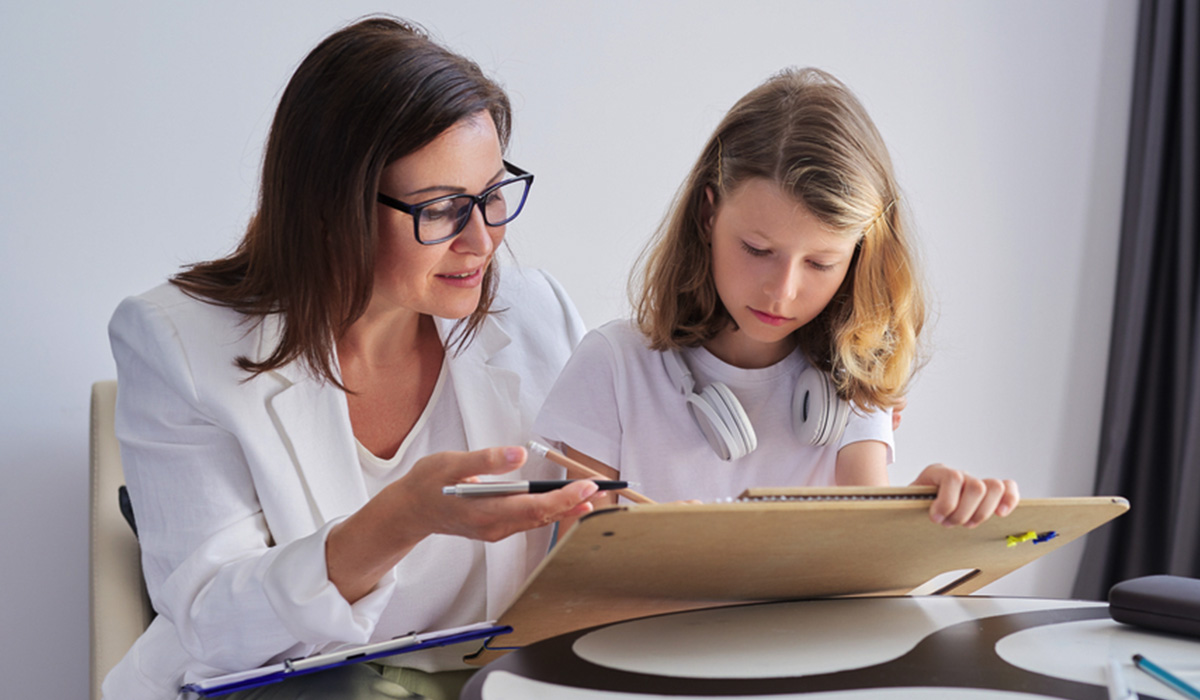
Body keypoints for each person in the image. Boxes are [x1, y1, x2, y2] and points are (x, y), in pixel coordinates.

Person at [105, 16, 600, 700]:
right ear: (330, 208)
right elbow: (211, 624)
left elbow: (591, 521)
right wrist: (402, 517)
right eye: (442, 208)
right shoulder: (178, 342)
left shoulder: (532, 308)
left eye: (491, 197)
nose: (482, 242)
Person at [534, 68, 1019, 524]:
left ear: (858, 257)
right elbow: (580, 581)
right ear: (708, 216)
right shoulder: (614, 367)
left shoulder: (852, 384)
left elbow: (865, 575)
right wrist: (659, 553)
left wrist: (923, 521)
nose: (782, 291)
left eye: (820, 264)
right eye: (757, 249)